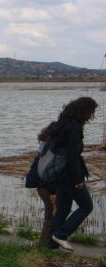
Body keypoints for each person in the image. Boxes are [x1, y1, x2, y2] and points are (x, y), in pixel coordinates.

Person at [51, 97, 98, 252]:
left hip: (58, 173)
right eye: (91, 112)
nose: (91, 116)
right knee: (86, 206)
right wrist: (78, 178)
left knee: (63, 210)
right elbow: (72, 154)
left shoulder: (62, 123)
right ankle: (61, 234)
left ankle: (52, 246)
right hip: (70, 175)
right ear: (84, 111)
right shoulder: (75, 127)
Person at [25, 122, 58, 249]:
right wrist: (52, 192)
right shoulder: (49, 151)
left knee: (50, 214)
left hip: (41, 186)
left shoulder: (43, 149)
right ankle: (47, 243)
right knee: (52, 214)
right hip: (46, 187)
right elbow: (46, 174)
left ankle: (46, 242)